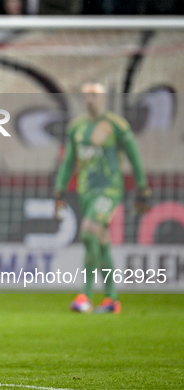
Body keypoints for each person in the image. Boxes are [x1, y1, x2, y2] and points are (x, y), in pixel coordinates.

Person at [54, 81, 151, 314]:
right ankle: (111, 300)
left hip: (109, 190)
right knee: (101, 242)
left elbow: (134, 157)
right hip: (86, 191)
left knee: (88, 231)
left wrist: (143, 188)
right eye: (86, 95)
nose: (90, 100)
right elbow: (69, 162)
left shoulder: (116, 125)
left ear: (103, 98)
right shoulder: (76, 128)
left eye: (95, 95)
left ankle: (85, 297)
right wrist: (59, 190)